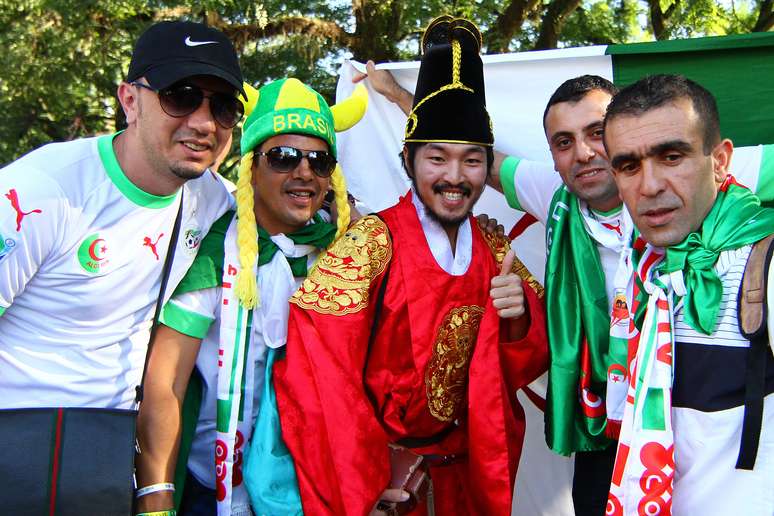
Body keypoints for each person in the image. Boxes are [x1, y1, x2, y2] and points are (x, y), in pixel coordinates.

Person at [363, 66, 774, 514]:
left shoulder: (715, 203)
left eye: (596, 133)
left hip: (700, 415)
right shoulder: (557, 194)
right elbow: (475, 153)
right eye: (564, 142)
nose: (584, 153)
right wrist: (398, 96)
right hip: (605, 419)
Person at [274, 16, 549, 515]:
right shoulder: (371, 242)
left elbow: (534, 353)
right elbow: (318, 372)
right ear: (409, 159)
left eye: (472, 160)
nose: (455, 177)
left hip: (467, 473)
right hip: (389, 482)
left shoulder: (493, 246)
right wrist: (364, 478)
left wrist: (520, 316)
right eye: (436, 158)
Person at [134, 78, 368, 515]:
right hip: (214, 486)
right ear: (251, 168)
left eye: (319, 161)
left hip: (315, 484)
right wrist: (157, 498)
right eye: (283, 157)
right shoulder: (214, 253)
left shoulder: (343, 253)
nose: (304, 172)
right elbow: (165, 383)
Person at [0, 19, 241, 424]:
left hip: (113, 444)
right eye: (180, 97)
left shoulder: (213, 199)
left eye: (222, 107)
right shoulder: (39, 193)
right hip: (22, 438)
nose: (204, 123)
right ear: (130, 101)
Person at [602, 74, 774, 515]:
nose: (650, 185)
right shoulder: (642, 273)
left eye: (672, 156)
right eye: (629, 166)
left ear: (720, 161)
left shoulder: (765, 267)